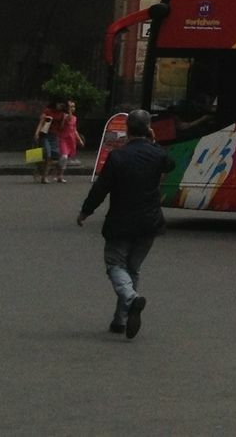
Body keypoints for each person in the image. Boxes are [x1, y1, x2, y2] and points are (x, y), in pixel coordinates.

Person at [77, 108, 170, 339]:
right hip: (149, 222)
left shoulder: (118, 157)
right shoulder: (157, 155)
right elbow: (170, 164)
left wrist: (86, 211)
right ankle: (121, 319)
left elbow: (101, 188)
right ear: (148, 129)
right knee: (133, 268)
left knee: (115, 265)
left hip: (121, 221)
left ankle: (130, 299)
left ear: (127, 129)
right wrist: (153, 141)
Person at [53, 99, 85, 184]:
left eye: (73, 107)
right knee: (64, 157)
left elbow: (74, 130)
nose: (72, 108)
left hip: (71, 140)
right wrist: (65, 118)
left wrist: (79, 140)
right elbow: (61, 127)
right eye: (70, 107)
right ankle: (58, 171)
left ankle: (60, 175)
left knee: (65, 158)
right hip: (63, 138)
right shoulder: (64, 116)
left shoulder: (75, 118)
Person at [33, 99, 60, 185]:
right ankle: (44, 177)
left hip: (54, 136)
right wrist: (37, 133)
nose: (60, 106)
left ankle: (43, 171)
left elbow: (62, 127)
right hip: (45, 135)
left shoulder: (62, 114)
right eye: (60, 104)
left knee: (52, 156)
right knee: (48, 155)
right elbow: (41, 122)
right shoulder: (48, 111)